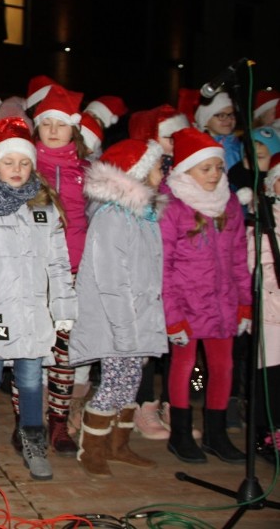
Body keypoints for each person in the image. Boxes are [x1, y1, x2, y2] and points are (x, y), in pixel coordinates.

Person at [0, 117, 76, 481]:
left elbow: (59, 263)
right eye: (9, 162)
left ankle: (33, 442)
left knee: (30, 381)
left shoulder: (44, 210)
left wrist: (63, 308)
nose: (17, 169)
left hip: (33, 316)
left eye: (24, 162)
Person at [70, 138, 168, 478]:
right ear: (136, 172)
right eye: (157, 166)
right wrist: (126, 331)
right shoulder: (112, 218)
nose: (163, 172)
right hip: (118, 323)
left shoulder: (143, 216)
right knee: (114, 383)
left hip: (138, 319)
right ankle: (91, 449)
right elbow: (111, 280)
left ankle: (118, 445)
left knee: (131, 382)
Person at [161, 127, 250, 465]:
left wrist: (244, 303)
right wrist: (172, 315)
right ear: (186, 169)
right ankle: (180, 434)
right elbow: (164, 266)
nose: (214, 174)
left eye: (218, 167)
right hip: (186, 303)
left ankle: (216, 433)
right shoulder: (174, 206)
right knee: (184, 365)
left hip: (222, 303)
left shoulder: (228, 202)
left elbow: (239, 256)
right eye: (205, 168)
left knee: (223, 366)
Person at [124, 104, 191, 440]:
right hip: (146, 269)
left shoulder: (180, 171)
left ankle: (167, 403)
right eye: (168, 138)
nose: (174, 144)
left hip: (175, 269)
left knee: (166, 342)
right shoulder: (144, 176)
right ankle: (142, 404)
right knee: (145, 345)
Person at [30, 85, 89, 456]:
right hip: (33, 271)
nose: (53, 130)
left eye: (61, 124)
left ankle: (59, 422)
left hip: (74, 271)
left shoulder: (88, 173)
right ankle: (30, 421)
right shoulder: (23, 164)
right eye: (46, 123)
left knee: (65, 353)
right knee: (34, 348)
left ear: (74, 130)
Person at [251, 153, 280, 460]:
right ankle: (267, 431)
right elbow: (257, 260)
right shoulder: (265, 216)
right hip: (272, 311)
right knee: (270, 376)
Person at [194, 90, 242, 172]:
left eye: (231, 114)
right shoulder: (197, 147)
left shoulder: (240, 143)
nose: (229, 120)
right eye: (221, 115)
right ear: (206, 120)